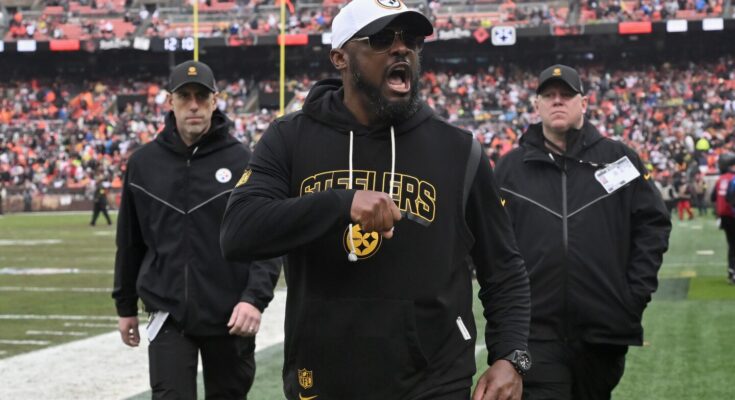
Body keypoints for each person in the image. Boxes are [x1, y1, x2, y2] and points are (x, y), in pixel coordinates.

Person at [220, 1, 531, 399]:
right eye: (382, 39)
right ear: (340, 57)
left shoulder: (459, 150)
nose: (401, 48)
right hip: (325, 379)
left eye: (411, 40)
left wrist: (511, 356)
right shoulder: (290, 138)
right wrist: (340, 204)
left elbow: (503, 267)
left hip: (433, 383)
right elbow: (238, 231)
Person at [494, 64, 671, 400]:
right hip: (534, 330)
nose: (557, 101)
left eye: (566, 94)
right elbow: (493, 241)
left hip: (603, 328)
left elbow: (653, 225)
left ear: (584, 103)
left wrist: (634, 295)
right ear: (536, 105)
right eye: (549, 95)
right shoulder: (510, 169)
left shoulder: (619, 159)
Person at [112, 60, 281, 399]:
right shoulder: (143, 164)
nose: (193, 105)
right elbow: (130, 241)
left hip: (230, 314)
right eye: (184, 96)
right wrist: (125, 306)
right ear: (170, 101)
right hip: (168, 313)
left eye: (201, 96)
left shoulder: (243, 161)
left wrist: (253, 299)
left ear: (214, 101)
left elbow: (267, 239)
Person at [711, 153, 735, 284]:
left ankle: (731, 271)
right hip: (732, 214)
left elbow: (713, 197)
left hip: (723, 216)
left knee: (731, 244)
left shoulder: (720, 179)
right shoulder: (733, 178)